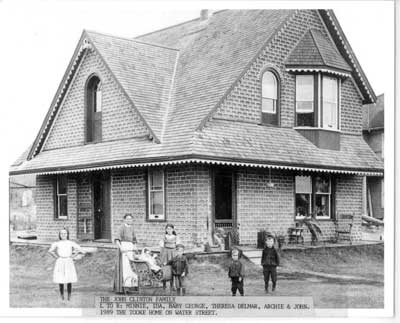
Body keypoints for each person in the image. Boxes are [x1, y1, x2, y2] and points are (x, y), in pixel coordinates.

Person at [48, 228, 86, 301]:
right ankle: (62, 296)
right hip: (60, 261)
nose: (63, 235)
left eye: (65, 233)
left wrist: (74, 255)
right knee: (61, 278)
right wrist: (57, 257)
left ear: (67, 234)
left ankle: (69, 296)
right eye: (61, 233)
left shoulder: (71, 243)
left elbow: (81, 251)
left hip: (68, 261)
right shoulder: (57, 243)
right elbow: (50, 251)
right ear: (59, 235)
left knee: (69, 278)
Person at [113, 214, 139, 294]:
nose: (129, 220)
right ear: (124, 220)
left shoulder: (132, 228)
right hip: (124, 248)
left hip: (130, 248)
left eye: (130, 219)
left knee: (131, 267)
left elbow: (134, 240)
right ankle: (123, 287)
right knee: (125, 267)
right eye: (127, 219)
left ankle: (131, 286)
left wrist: (135, 247)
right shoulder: (121, 228)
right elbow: (117, 240)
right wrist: (121, 248)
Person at [159, 223, 181, 290]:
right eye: (167, 229)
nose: (169, 230)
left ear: (173, 229)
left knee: (172, 269)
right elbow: (161, 246)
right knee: (165, 269)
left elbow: (178, 246)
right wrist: (162, 254)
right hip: (165, 253)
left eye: (170, 229)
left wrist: (177, 255)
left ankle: (172, 285)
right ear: (166, 230)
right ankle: (164, 285)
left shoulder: (176, 237)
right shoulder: (164, 237)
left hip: (173, 254)